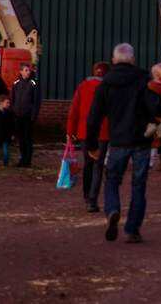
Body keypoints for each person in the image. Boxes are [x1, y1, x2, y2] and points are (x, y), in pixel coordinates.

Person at [86, 44, 160, 244]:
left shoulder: (106, 83)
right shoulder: (144, 79)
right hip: (141, 140)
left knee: (112, 180)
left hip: (117, 140)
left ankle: (112, 209)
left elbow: (93, 117)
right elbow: (154, 107)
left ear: (113, 60)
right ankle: (132, 229)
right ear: (133, 59)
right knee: (138, 185)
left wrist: (91, 145)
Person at [66, 61, 111, 212]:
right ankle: (92, 200)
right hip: (103, 132)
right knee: (98, 166)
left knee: (88, 164)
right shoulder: (109, 88)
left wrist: (70, 131)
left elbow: (74, 110)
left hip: (85, 131)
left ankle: (86, 195)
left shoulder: (83, 86)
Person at [11, 63, 41, 168]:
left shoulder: (33, 84)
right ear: (21, 71)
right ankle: (22, 159)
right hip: (18, 115)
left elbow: (37, 101)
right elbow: (12, 99)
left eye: (29, 70)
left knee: (28, 138)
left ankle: (28, 161)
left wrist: (34, 115)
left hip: (28, 116)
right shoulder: (16, 83)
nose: (28, 72)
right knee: (21, 138)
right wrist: (13, 111)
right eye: (26, 70)